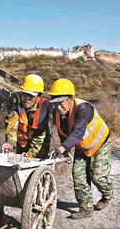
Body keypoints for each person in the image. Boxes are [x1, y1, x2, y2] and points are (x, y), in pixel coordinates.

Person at [47, 78, 114, 219]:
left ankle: (107, 195)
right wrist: (66, 150)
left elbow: (78, 132)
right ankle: (86, 208)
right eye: (55, 103)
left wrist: (61, 148)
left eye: (61, 102)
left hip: (100, 143)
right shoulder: (58, 113)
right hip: (82, 147)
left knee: (98, 177)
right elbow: (63, 132)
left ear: (71, 98)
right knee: (78, 178)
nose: (58, 107)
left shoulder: (83, 109)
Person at [2, 74, 51, 158]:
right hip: (21, 142)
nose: (27, 99)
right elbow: (11, 122)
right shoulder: (15, 100)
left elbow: (40, 135)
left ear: (38, 96)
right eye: (25, 94)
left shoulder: (44, 107)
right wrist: (11, 142)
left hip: (39, 144)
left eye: (31, 96)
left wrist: (30, 155)